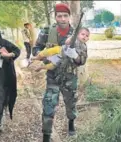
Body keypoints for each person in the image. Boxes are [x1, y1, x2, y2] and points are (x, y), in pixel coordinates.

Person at [33, 3, 88, 142]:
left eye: (65, 16)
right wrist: (45, 57)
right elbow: (36, 48)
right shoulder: (47, 31)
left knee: (71, 104)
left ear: (69, 17)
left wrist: (75, 55)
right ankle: (46, 135)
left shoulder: (77, 34)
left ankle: (71, 124)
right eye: (59, 16)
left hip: (70, 77)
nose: (62, 19)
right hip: (53, 76)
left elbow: (82, 60)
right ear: (55, 17)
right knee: (48, 106)